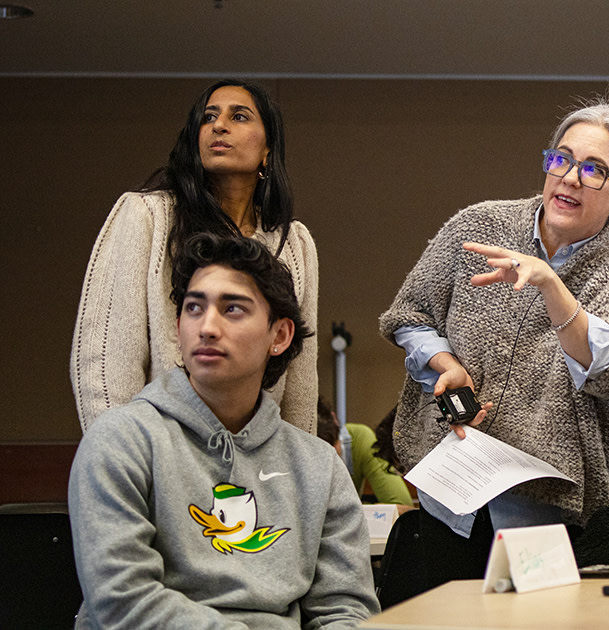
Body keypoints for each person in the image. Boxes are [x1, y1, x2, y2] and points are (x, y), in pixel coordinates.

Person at [379, 98, 609, 588]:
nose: (569, 178)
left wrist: (551, 284)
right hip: (450, 494)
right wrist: (444, 363)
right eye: (561, 159)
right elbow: (409, 315)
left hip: (546, 518)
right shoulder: (478, 225)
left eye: (594, 170)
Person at [68, 234, 377, 629]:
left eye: (233, 309)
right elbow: (123, 602)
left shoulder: (318, 466)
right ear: (178, 326)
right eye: (194, 308)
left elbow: (347, 610)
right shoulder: (121, 440)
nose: (207, 327)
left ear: (280, 336)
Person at [70, 79, 319, 434]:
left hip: (257, 453)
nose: (219, 125)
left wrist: (296, 461)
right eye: (208, 117)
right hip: (157, 447)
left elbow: (300, 381)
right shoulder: (147, 216)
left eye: (239, 116)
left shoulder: (294, 242)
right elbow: (106, 363)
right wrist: (123, 453)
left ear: (268, 150)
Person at [316, 397, 414, 507]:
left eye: (334, 448)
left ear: (334, 418)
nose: (331, 460)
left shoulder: (360, 440)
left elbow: (403, 506)